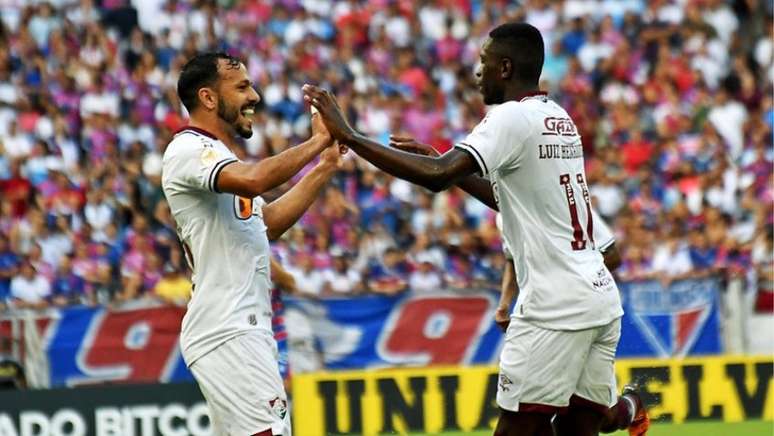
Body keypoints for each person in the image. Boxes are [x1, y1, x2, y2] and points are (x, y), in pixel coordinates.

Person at [303, 22, 647, 436]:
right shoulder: (558, 117)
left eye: (483, 62)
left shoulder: (510, 118)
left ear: (504, 67)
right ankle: (629, 407)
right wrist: (445, 166)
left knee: (519, 428)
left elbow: (436, 175)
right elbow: (509, 197)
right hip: (599, 299)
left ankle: (626, 409)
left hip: (555, 306)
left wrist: (351, 136)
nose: (477, 72)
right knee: (582, 427)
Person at [162, 52, 344, 436]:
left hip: (240, 326)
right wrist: (317, 142)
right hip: (228, 328)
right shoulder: (189, 150)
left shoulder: (218, 157)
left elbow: (268, 223)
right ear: (209, 98)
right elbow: (255, 180)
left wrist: (325, 165)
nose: (255, 95)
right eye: (242, 86)